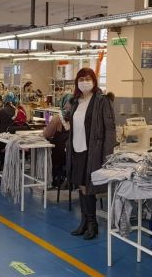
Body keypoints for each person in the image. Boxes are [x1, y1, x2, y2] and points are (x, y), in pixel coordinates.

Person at [65, 68, 116, 240]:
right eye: (81, 79)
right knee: (81, 186)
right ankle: (84, 222)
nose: (84, 82)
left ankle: (92, 224)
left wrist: (107, 155)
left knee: (89, 187)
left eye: (87, 79)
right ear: (77, 82)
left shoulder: (102, 101)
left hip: (93, 150)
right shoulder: (76, 102)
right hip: (76, 148)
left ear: (94, 81)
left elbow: (110, 130)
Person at [42, 93, 72, 188]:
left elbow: (46, 134)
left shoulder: (58, 118)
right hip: (72, 153)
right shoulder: (77, 116)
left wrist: (45, 129)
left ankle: (53, 179)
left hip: (59, 153)